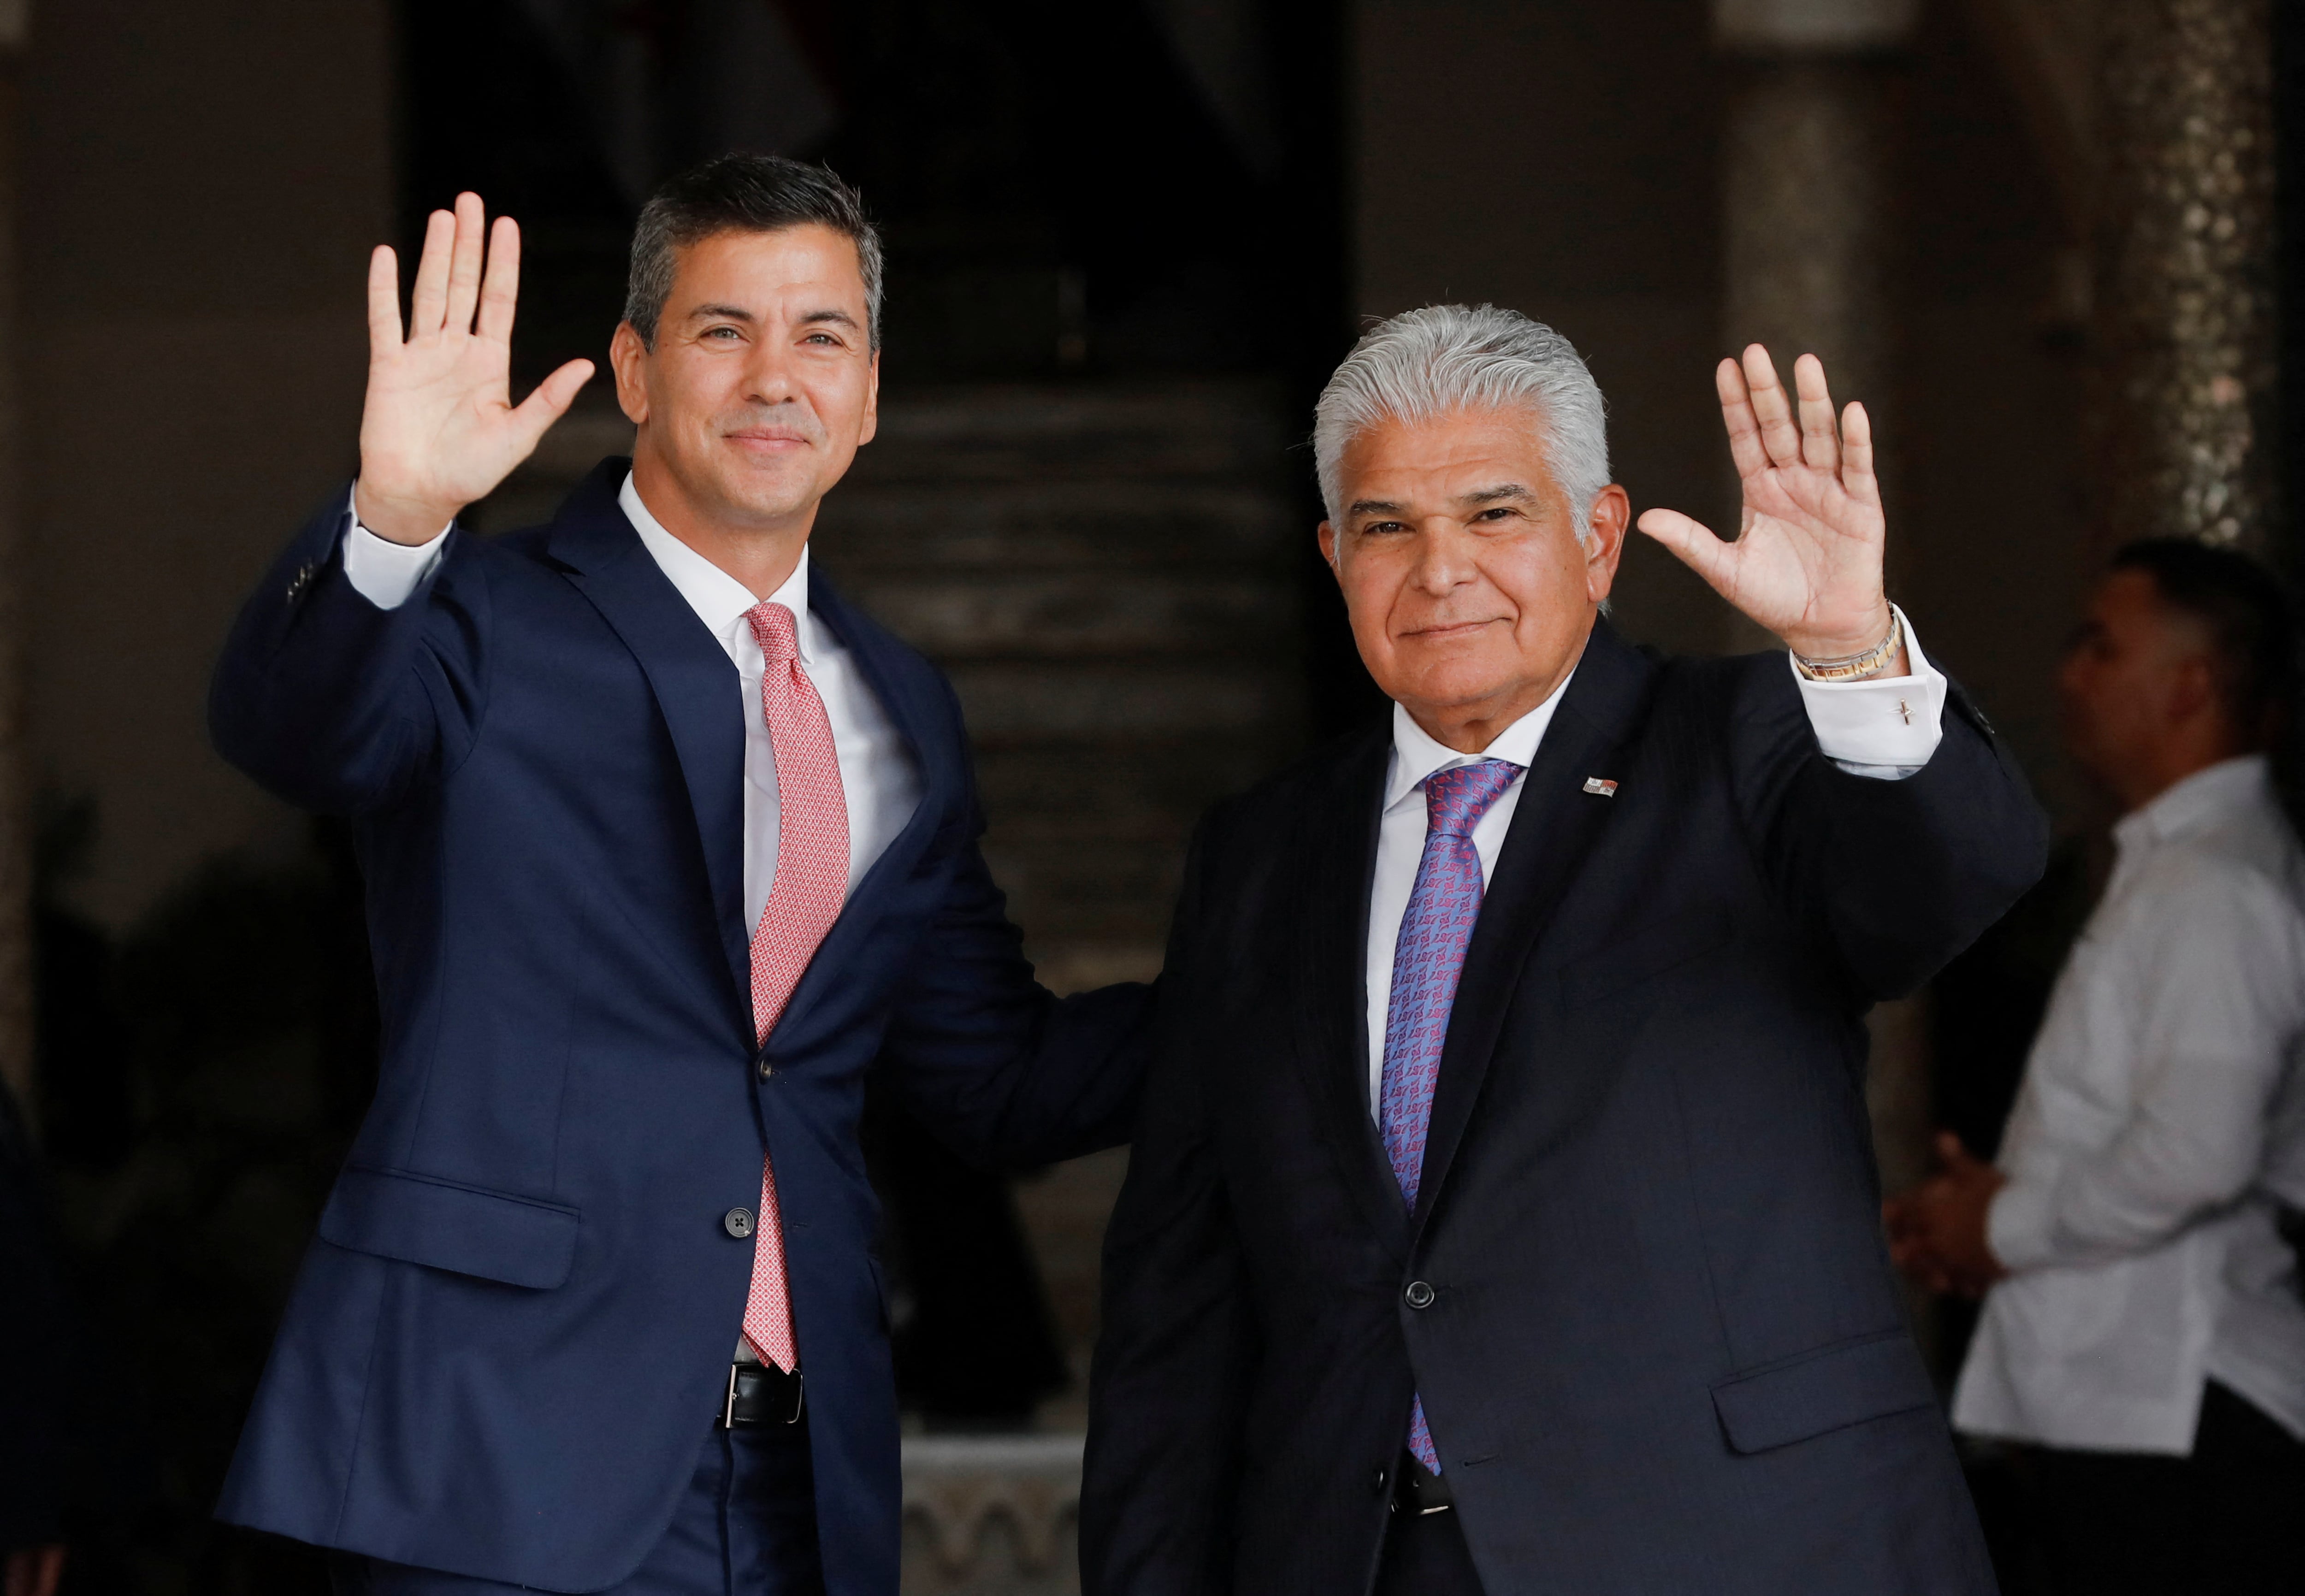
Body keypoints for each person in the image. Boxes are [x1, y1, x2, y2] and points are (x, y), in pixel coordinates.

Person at [208, 154, 1152, 1596]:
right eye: (725, 330)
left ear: (873, 395)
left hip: (793, 1484)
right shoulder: (477, 614)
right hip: (491, 1462)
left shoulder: (897, 700)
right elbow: (290, 732)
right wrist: (392, 522)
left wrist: (1315, 968)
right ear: (638, 371)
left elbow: (995, 1077)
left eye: (821, 336)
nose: (778, 376)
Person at [1081, 305, 2046, 1596]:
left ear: (1597, 539)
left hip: (1731, 1547)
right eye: (1387, 527)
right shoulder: (1260, 852)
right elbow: (1177, 1304)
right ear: (1332, 555)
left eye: (1493, 514)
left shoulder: (1743, 745)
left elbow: (1950, 880)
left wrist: (1848, 650)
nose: (1439, 571)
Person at [1888, 539, 2305, 1594]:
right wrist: (1979, 1222)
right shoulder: (2184, 866)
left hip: (2181, 1404)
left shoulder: (2212, 885)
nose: (2070, 675)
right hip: (2140, 1404)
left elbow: (2197, 1154)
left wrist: (1999, 1226)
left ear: (2190, 686)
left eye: (2100, 646)